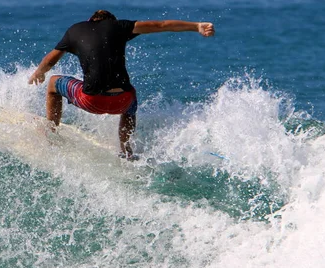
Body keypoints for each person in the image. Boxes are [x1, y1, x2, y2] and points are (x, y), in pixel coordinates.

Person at [28, 10, 215, 159]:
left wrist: (39, 73)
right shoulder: (120, 26)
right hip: (121, 102)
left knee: (53, 82)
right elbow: (161, 25)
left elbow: (50, 61)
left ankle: (51, 132)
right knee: (131, 95)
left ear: (91, 20)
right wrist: (197, 26)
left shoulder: (75, 30)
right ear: (112, 21)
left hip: (91, 100)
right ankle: (126, 150)